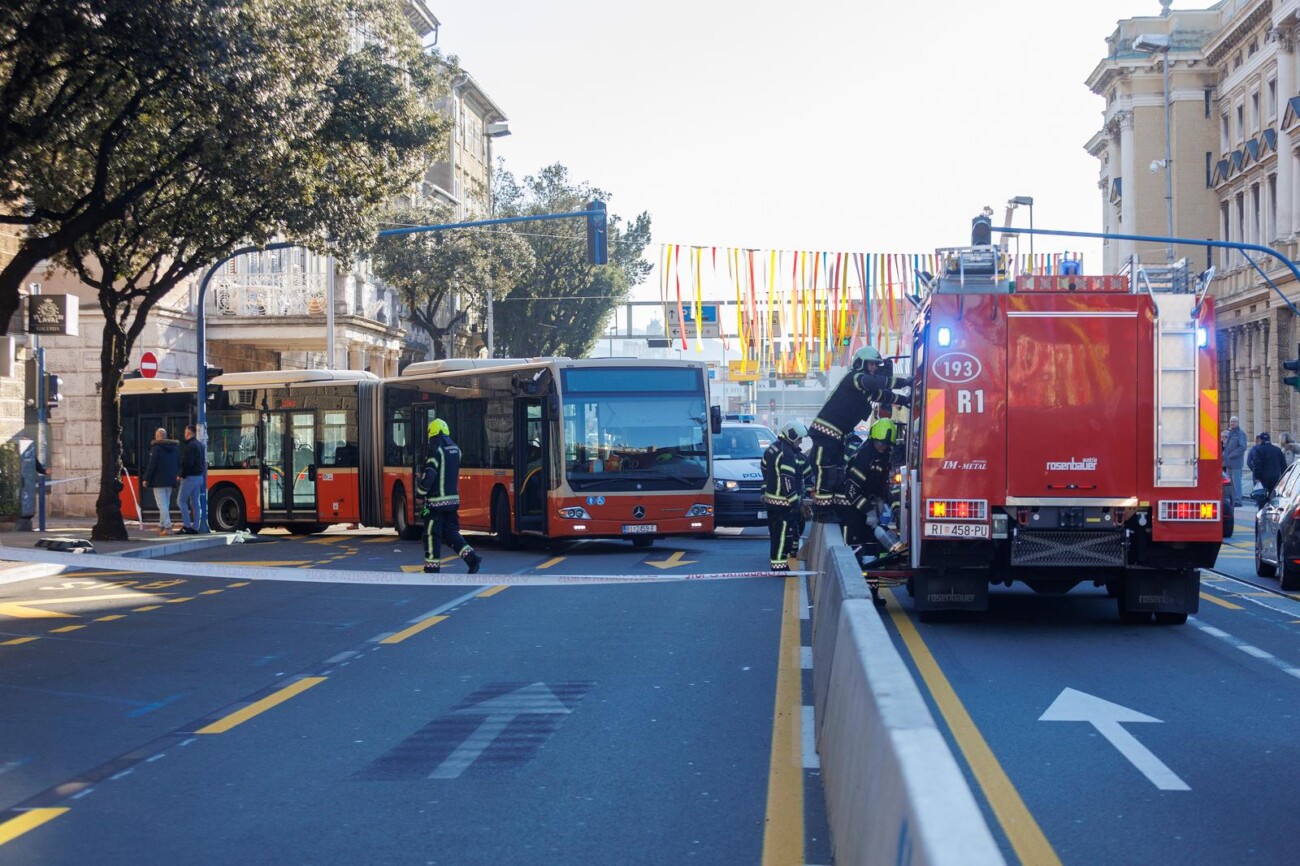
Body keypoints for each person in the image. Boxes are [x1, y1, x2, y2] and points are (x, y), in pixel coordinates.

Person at [808, 346, 911, 510]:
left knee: (835, 472)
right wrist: (903, 381)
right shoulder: (854, 379)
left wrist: (904, 400)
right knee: (826, 471)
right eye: (872, 364)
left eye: (877, 365)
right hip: (825, 432)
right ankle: (821, 510)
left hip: (836, 435)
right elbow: (873, 383)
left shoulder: (865, 391)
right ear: (860, 364)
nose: (875, 368)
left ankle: (829, 508)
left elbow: (884, 395)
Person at [836, 419, 902, 606]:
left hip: (867, 504)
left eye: (886, 444)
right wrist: (868, 512)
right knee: (856, 548)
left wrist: (890, 504)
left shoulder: (884, 455)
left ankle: (872, 594)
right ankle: (853, 594)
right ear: (873, 439)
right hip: (850, 508)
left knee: (873, 551)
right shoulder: (864, 456)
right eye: (880, 443)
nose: (883, 447)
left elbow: (882, 484)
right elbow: (851, 490)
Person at [416, 418, 482, 575]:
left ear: (432, 433)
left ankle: (431, 568)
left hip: (436, 504)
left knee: (431, 535)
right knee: (451, 533)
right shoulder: (456, 450)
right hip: (452, 502)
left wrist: (420, 493)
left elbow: (430, 475)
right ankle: (472, 558)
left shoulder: (436, 450)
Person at [760, 420, 809, 572]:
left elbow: (764, 469)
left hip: (771, 501)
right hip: (783, 503)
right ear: (792, 436)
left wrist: (766, 490)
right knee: (782, 535)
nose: (800, 442)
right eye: (799, 438)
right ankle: (779, 566)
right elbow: (787, 479)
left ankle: (777, 563)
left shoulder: (772, 448)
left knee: (775, 534)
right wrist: (795, 503)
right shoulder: (787, 453)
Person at [141, 427, 180, 536]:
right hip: (170, 480)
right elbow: (178, 463)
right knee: (166, 504)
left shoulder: (156, 448)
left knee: (161, 504)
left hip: (159, 481)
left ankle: (168, 527)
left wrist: (146, 478)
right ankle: (161, 525)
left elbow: (152, 465)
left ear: (157, 436)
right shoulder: (174, 448)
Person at [177, 424, 206, 534]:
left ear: (189, 433)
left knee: (181, 501)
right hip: (199, 477)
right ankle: (196, 526)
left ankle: (187, 525)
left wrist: (182, 475)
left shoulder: (190, 446)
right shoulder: (200, 445)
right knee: (195, 502)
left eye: (185, 432)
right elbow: (202, 462)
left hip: (190, 477)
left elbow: (188, 464)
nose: (184, 434)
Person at [1247, 432, 1286, 502]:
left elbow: (1258, 465)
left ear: (1261, 440)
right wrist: (1283, 477)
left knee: (1262, 498)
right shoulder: (1277, 450)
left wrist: (1257, 477)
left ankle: (1263, 511)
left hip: (1263, 478)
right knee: (1273, 497)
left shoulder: (1259, 450)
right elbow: (1283, 465)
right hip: (1275, 477)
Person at [1222, 416, 1247, 506]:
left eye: (1234, 422)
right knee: (1230, 484)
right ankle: (1232, 500)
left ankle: (1237, 501)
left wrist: (1231, 455)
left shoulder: (1240, 434)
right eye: (1231, 421)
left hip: (1236, 463)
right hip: (1228, 463)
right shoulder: (1230, 433)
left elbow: (1242, 447)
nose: (1232, 423)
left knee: (1236, 484)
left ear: (1237, 423)